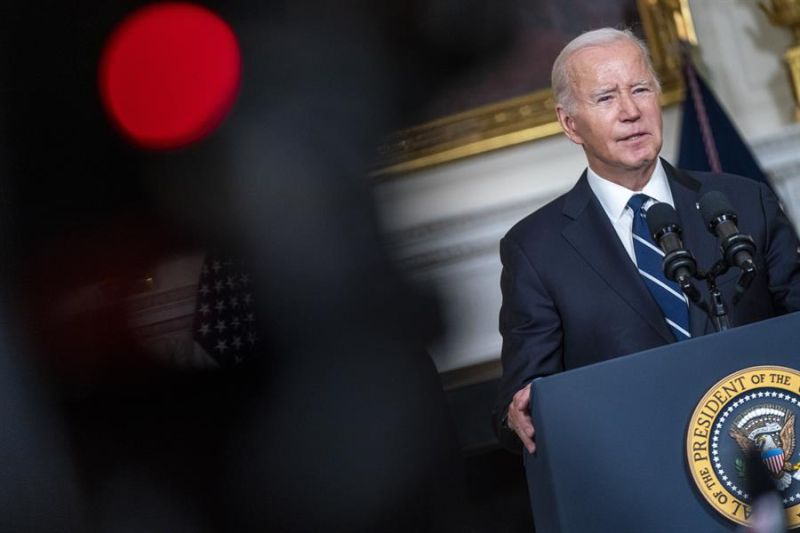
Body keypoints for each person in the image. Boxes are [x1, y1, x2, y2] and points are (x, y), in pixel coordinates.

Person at [494, 28, 800, 453]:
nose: (630, 111)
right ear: (569, 124)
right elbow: (526, 399)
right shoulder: (535, 249)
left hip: (770, 452)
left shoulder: (746, 202)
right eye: (605, 98)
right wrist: (520, 412)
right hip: (640, 474)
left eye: (640, 89)